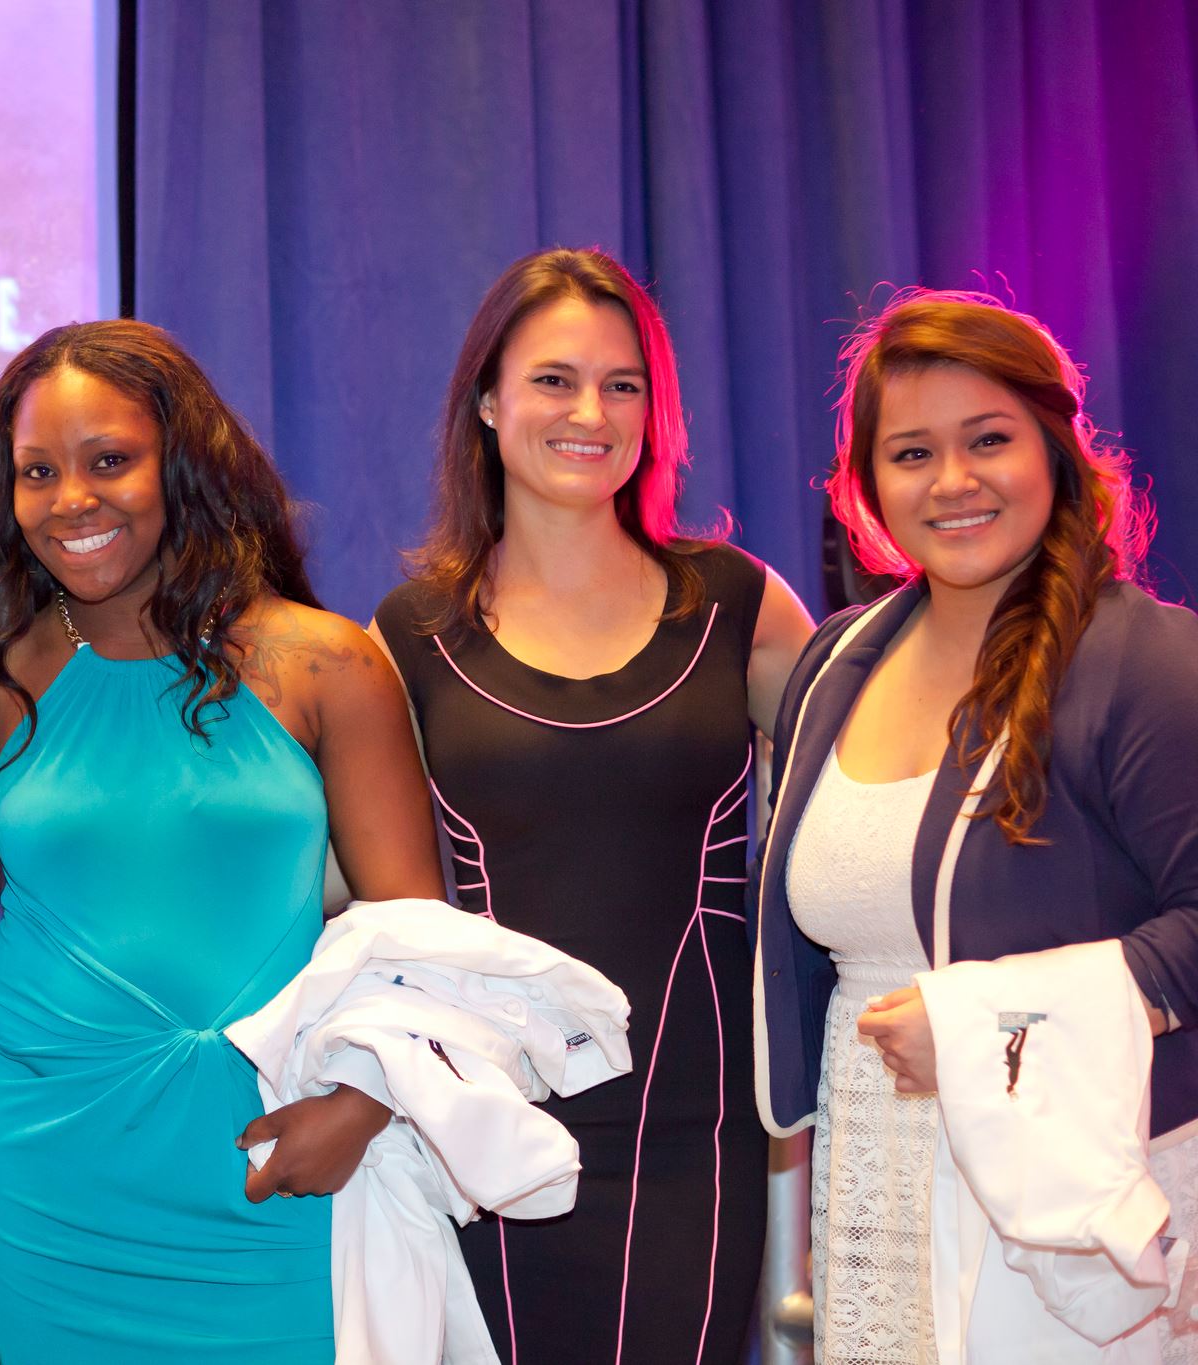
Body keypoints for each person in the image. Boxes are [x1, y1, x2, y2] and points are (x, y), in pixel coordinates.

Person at [0, 319, 446, 1361]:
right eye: (37, 472)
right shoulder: (2, 675)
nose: (70, 500)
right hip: (41, 1177)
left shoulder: (322, 663)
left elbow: (416, 932)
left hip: (269, 1157)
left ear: (183, 463)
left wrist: (364, 1102)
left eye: (109, 461)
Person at [370, 247, 815, 1364]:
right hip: (489, 1136)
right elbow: (346, 893)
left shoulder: (740, 607)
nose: (589, 413)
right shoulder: (409, 637)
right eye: (553, 380)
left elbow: (862, 819)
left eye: (622, 385)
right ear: (487, 402)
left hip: (696, 1138)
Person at [755, 290, 1198, 1362]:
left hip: (1076, 1189)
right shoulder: (835, 661)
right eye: (911, 453)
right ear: (865, 487)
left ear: (1054, 450)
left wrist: (978, 1024)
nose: (952, 481)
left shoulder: (1147, 662)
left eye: (988, 439)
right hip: (877, 1167)